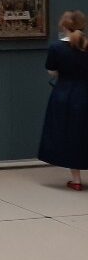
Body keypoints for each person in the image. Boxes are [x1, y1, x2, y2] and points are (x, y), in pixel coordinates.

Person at [38, 10, 88, 191]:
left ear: (64, 26)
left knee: (70, 135)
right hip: (85, 92)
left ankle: (76, 180)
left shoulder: (56, 48)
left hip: (65, 95)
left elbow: (52, 71)